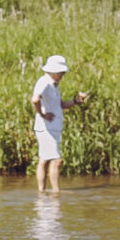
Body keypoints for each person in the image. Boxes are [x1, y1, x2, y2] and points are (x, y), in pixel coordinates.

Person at [32, 55, 70, 192]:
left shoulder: (54, 85)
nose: (63, 74)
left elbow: (60, 105)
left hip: (52, 128)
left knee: (45, 159)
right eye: (61, 72)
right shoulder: (44, 82)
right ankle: (55, 192)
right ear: (54, 71)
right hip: (45, 127)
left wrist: (76, 101)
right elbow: (35, 100)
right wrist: (42, 114)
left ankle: (42, 192)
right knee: (56, 160)